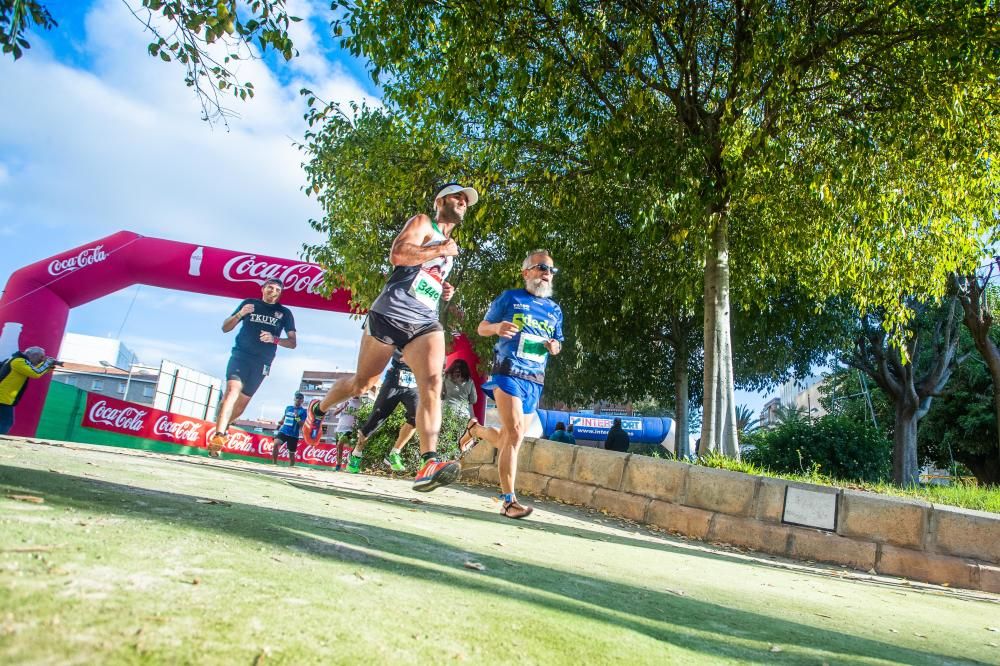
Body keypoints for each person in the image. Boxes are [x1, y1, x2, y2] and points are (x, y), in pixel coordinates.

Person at [303, 182, 479, 492]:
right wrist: (440, 249)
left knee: (433, 383)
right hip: (390, 313)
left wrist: (443, 289)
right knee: (363, 383)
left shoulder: (449, 247)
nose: (463, 201)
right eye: (457, 196)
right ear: (440, 200)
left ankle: (428, 462)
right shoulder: (423, 223)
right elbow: (398, 254)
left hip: (424, 321)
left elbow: (424, 278)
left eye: (466, 200)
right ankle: (318, 410)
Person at [458, 250, 563, 519]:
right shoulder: (510, 297)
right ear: (526, 272)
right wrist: (497, 328)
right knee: (515, 434)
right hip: (507, 372)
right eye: (541, 268)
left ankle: (476, 431)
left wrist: (554, 347)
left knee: (508, 437)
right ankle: (509, 501)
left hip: (535, 379)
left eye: (551, 270)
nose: (547, 274)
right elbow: (482, 327)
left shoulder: (554, 309)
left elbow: (558, 343)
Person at [210, 278, 297, 456]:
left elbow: (293, 343)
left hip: (263, 363)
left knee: (241, 406)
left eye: (277, 289)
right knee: (231, 392)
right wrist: (240, 314)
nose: (273, 291)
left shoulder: (285, 313)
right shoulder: (249, 304)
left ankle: (223, 427)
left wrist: (275, 339)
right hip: (240, 356)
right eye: (270, 288)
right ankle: (218, 436)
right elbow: (225, 328)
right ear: (263, 289)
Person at [344, 349, 418, 474]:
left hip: (415, 382)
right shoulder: (406, 332)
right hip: (395, 378)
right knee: (376, 418)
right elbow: (391, 346)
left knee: (417, 416)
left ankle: (394, 454)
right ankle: (356, 454)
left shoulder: (429, 335)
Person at [0, 346, 59, 434]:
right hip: (3, 397)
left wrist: (49, 366)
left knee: (6, 421)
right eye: (40, 358)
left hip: (5, 396)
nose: (40, 361)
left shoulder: (18, 360)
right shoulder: (19, 361)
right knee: (6, 422)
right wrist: (47, 363)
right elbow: (35, 373)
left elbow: (36, 370)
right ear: (34, 355)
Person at [273, 392, 307, 466]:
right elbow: (283, 419)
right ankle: (274, 464)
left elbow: (302, 424)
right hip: (283, 431)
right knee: (276, 444)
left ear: (302, 401)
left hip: (293, 435)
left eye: (300, 399)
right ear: (294, 399)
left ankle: (291, 467)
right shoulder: (288, 408)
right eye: (297, 398)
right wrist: (278, 427)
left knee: (291, 453)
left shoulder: (303, 411)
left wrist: (297, 417)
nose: (298, 400)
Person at [333, 396, 361, 471]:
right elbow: (334, 413)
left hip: (351, 429)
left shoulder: (360, 404)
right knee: (339, 447)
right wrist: (343, 407)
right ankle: (338, 464)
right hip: (340, 428)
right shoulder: (345, 400)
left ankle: (349, 459)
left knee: (340, 443)